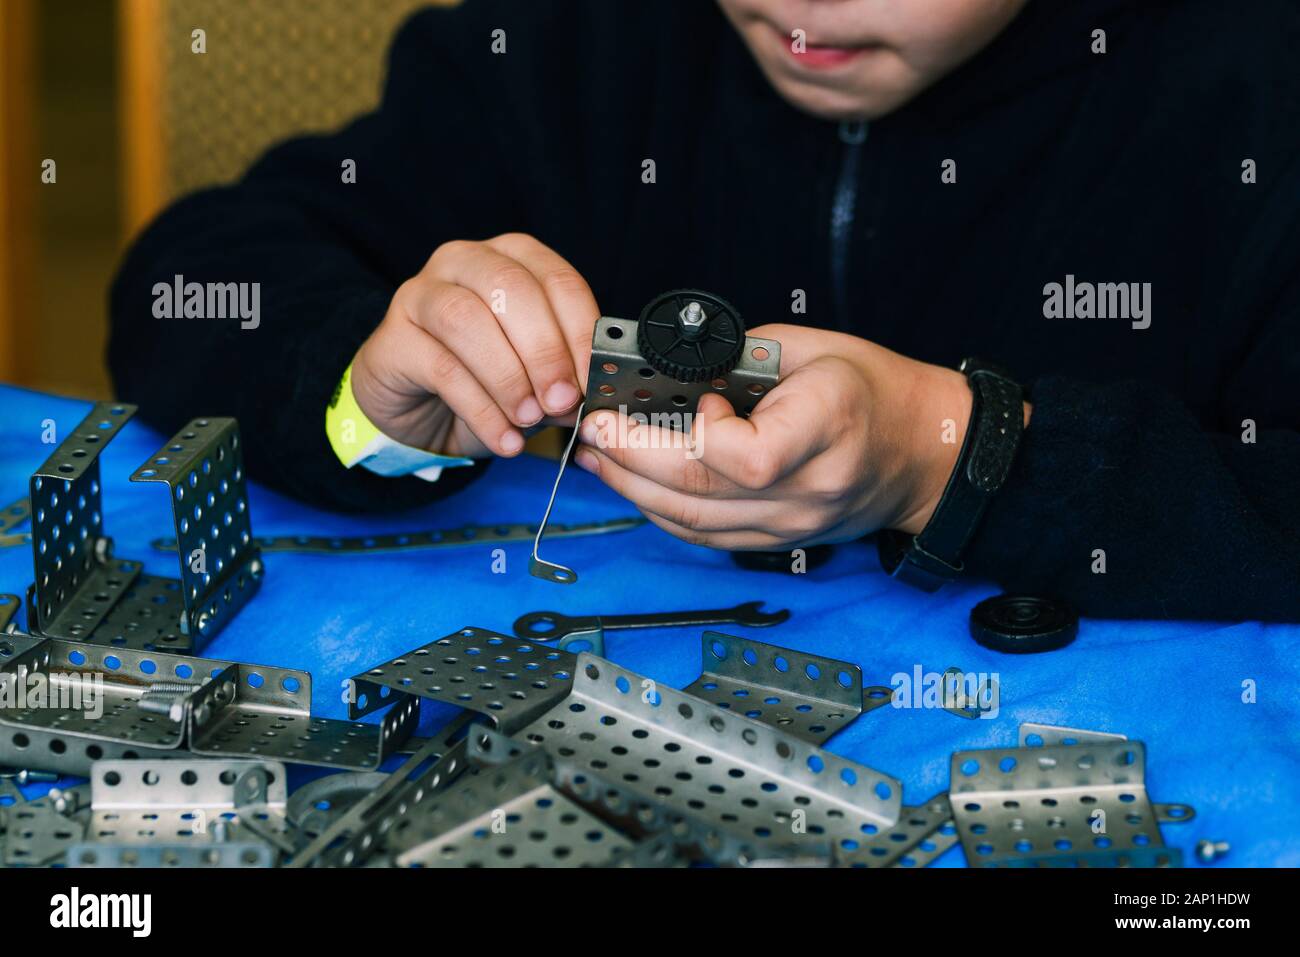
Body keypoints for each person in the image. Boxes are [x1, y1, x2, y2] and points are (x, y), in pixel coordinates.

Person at [109, 0, 1300, 621]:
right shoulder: (575, 44)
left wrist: (962, 453)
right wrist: (363, 388)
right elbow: (191, 276)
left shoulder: (1251, 90)